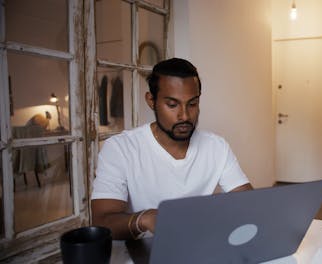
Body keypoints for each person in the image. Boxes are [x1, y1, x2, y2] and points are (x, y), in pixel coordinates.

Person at [91, 58, 253, 240]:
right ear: (151, 101)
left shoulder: (217, 146)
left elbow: (248, 203)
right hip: (143, 251)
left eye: (192, 104)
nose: (184, 115)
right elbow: (102, 222)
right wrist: (143, 219)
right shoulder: (120, 149)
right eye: (172, 105)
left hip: (199, 246)